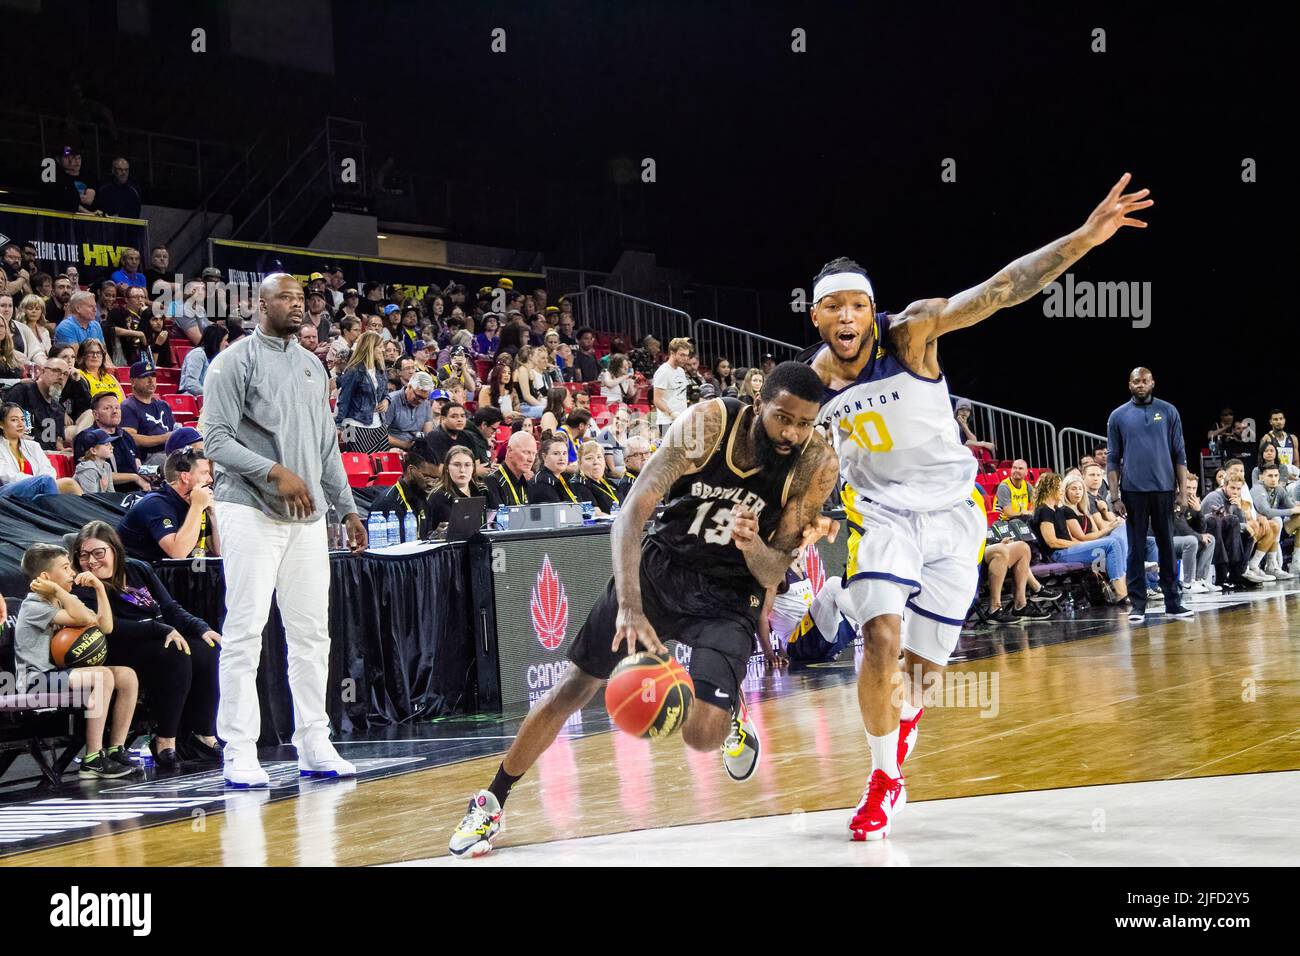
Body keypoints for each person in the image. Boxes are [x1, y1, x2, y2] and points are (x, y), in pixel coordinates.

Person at [795, 175, 1155, 840]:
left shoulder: (913, 334)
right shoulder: (807, 385)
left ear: (872, 312)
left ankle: (898, 722)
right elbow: (792, 456)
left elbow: (1001, 290)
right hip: (883, 518)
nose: (846, 317)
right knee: (881, 639)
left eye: (857, 305)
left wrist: (1085, 236)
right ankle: (881, 779)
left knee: (923, 673)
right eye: (833, 308)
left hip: (956, 520)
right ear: (815, 316)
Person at [449, 364, 841, 857]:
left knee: (702, 733)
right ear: (760, 403)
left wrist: (751, 546)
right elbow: (631, 511)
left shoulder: (814, 464)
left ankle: (728, 708)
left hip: (729, 590)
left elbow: (771, 572)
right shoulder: (708, 424)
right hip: (663, 569)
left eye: (805, 423)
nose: (793, 433)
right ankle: (491, 802)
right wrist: (629, 607)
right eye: (783, 418)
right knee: (572, 689)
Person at [202, 272, 367, 787]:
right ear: (261, 304)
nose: (299, 306)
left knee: (312, 634)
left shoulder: (314, 367)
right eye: (287, 298)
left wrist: (348, 508)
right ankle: (239, 749)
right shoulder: (232, 363)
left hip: (308, 518)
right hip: (248, 507)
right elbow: (214, 440)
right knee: (245, 630)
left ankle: (314, 741)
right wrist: (274, 472)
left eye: (303, 298)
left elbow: (325, 448)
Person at [71, 521, 222, 769]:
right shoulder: (82, 585)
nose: (92, 561)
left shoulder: (138, 569)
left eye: (99, 553)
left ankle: (202, 734)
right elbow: (108, 627)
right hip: (115, 647)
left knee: (206, 649)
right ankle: (165, 741)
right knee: (173, 651)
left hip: (155, 640)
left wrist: (201, 627)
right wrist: (160, 629)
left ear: (114, 550)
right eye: (84, 555)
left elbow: (170, 608)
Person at [14, 542, 140, 779]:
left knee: (126, 675)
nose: (73, 572)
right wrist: (60, 591)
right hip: (37, 679)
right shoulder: (33, 606)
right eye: (65, 568)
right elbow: (82, 617)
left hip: (60, 675)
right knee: (102, 676)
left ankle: (115, 749)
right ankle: (92, 758)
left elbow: (105, 626)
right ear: (46, 577)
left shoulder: (62, 601)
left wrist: (99, 589)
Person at [1106, 366, 1195, 623]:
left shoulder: (1168, 411)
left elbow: (1180, 453)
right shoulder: (1118, 416)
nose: (1141, 385)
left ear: (1153, 383)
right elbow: (1112, 458)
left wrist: (1181, 491)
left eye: (1145, 381)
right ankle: (1138, 606)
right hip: (1132, 492)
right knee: (1135, 549)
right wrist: (1114, 497)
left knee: (1166, 547)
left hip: (1165, 490)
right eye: (1136, 381)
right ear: (1130, 384)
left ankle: (1173, 602)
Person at [1032, 473, 1130, 601]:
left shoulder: (1056, 509)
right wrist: (1078, 544)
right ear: (1049, 489)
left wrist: (1078, 544)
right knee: (1111, 543)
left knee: (1117, 540)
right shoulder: (1044, 510)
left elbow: (1067, 536)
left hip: (1067, 549)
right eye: (1059, 487)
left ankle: (1123, 588)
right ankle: (1121, 594)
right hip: (1058, 554)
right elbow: (1052, 542)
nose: (1062, 490)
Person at [117, 450, 220, 561]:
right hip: (136, 571)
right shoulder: (155, 503)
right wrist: (197, 506)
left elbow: (218, 551)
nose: (210, 479)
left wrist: (213, 514)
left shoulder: (194, 500)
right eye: (205, 473)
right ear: (185, 477)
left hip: (166, 572)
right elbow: (178, 553)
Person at [0, 402, 81, 498]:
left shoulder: (34, 446)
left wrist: (39, 483)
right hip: (7, 490)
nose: (21, 424)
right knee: (45, 482)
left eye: (22, 419)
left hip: (39, 486)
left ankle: (86, 512)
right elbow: (6, 476)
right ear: (1, 424)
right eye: (14, 420)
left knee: (69, 483)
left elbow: (48, 469)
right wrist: (36, 482)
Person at [334, 330, 390, 454]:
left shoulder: (380, 369)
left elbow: (386, 392)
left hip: (379, 425)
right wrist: (338, 425)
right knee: (358, 465)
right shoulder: (353, 370)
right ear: (371, 348)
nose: (383, 350)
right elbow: (344, 399)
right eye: (380, 347)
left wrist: (387, 401)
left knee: (381, 466)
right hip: (353, 425)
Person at [370, 445, 439, 539]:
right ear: (411, 470)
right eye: (427, 477)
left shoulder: (422, 499)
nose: (432, 484)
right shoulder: (388, 503)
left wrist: (436, 536)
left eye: (436, 479)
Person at [120, 360, 178, 466]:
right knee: (179, 463)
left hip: (169, 452)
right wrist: (164, 438)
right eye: (145, 376)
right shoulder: (127, 407)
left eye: (153, 376)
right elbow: (131, 438)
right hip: (146, 458)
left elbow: (173, 430)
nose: (151, 381)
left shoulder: (163, 405)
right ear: (133, 382)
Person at [89, 392, 149, 492]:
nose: (114, 411)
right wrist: (134, 477)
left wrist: (147, 474)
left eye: (117, 408)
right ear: (96, 415)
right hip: (110, 496)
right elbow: (95, 475)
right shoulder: (88, 438)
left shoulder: (126, 435)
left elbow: (137, 464)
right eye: (107, 408)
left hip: (136, 491)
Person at [1249, 463, 1299, 577]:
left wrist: (1296, 508)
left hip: (1274, 530)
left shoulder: (1279, 489)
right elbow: (1267, 512)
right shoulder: (1257, 489)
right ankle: (1264, 565)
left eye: (1276, 476)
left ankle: (1295, 564)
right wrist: (1291, 511)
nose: (1274, 479)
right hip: (1256, 530)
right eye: (1270, 476)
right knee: (1276, 520)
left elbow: (1291, 505)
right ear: (1261, 477)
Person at [1172, 472, 1217, 593]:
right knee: (1192, 540)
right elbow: (1180, 527)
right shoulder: (1174, 500)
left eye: (1194, 488)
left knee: (1210, 539)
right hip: (1166, 539)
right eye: (1188, 487)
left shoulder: (1192, 501)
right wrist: (1198, 536)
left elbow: (1201, 530)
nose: (1191, 491)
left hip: (1181, 539)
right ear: (1179, 486)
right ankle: (1188, 583)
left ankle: (1200, 579)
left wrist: (1198, 512)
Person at [427, 445, 487, 531]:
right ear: (447, 468)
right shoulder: (438, 497)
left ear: (473, 468)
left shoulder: (482, 492)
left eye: (467, 465)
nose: (462, 470)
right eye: (456, 465)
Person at [382, 370, 435, 449]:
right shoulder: (391, 401)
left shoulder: (426, 403)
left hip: (416, 449)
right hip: (391, 448)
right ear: (409, 387)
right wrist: (403, 444)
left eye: (423, 398)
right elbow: (379, 435)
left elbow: (428, 434)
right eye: (418, 396)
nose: (420, 401)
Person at [484, 430, 536, 509]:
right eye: (526, 452)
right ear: (509, 451)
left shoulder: (526, 483)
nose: (531, 459)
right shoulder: (492, 482)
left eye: (534, 453)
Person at [526, 434, 584, 504]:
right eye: (556, 454)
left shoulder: (568, 477)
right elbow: (553, 513)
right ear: (544, 457)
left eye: (564, 453)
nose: (562, 458)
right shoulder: (541, 482)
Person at [651, 337, 691, 434]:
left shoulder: (681, 371)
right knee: (672, 449)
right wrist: (672, 413)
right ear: (672, 353)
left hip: (681, 420)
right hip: (666, 422)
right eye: (682, 355)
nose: (685, 359)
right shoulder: (663, 372)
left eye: (687, 355)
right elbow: (657, 400)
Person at [573, 439, 621, 514]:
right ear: (580, 463)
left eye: (599, 457)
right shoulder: (578, 484)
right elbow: (596, 514)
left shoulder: (609, 483)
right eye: (589, 458)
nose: (596, 462)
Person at [178, 324, 228, 396]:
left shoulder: (218, 359)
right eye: (225, 340)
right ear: (216, 341)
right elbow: (191, 385)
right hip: (190, 396)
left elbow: (216, 382)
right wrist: (213, 394)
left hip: (207, 397)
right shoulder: (197, 354)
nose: (227, 344)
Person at [75, 338, 123, 403]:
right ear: (82, 356)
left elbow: (124, 400)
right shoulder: (79, 375)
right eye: (91, 352)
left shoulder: (111, 377)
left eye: (99, 353)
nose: (95, 356)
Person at [73, 427, 118, 494]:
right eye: (106, 444)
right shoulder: (88, 469)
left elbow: (111, 493)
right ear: (93, 450)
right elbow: (91, 498)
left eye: (111, 444)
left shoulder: (106, 466)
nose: (112, 447)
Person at [954, 397, 996, 463]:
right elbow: (968, 443)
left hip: (967, 453)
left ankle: (988, 468)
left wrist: (964, 426)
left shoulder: (969, 424)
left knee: (987, 448)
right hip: (956, 452)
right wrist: (983, 443)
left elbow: (973, 441)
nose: (964, 412)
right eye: (962, 409)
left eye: (967, 410)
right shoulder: (953, 423)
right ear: (957, 411)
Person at [16, 293, 52, 362]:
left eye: (37, 309)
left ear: (42, 312)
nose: (34, 311)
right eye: (30, 308)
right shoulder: (19, 330)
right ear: (24, 310)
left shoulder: (45, 331)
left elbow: (49, 353)